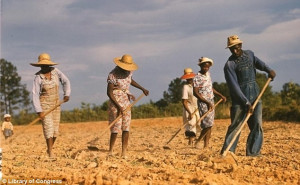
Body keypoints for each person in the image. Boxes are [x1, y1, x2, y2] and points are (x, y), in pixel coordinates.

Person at [220, 35, 276, 156]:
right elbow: (234, 87)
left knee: (257, 125)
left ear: (241, 45)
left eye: (237, 47)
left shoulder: (250, 54)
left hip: (255, 94)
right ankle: (228, 152)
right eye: (232, 49)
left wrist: (268, 70)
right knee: (236, 126)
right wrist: (246, 103)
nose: (235, 51)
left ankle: (253, 152)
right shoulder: (229, 65)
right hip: (239, 100)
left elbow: (259, 63)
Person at [107, 54, 149, 158]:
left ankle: (124, 152)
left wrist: (142, 88)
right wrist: (118, 107)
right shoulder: (113, 75)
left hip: (126, 100)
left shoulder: (129, 72)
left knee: (126, 126)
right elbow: (109, 92)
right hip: (115, 101)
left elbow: (130, 80)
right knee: (116, 126)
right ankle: (111, 151)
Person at [31, 53, 71, 157]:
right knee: (48, 128)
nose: (44, 67)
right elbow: (35, 94)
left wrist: (66, 94)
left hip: (56, 104)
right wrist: (39, 111)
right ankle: (50, 152)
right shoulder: (38, 77)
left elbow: (66, 81)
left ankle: (49, 149)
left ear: (49, 65)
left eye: (46, 65)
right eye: (42, 65)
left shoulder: (56, 72)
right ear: (40, 66)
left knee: (55, 131)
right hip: (44, 105)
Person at [193, 57, 226, 149]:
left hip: (211, 100)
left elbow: (210, 88)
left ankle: (206, 145)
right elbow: (195, 92)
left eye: (208, 67)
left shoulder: (208, 75)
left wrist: (220, 95)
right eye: (204, 67)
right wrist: (206, 102)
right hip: (203, 102)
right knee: (207, 124)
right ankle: (199, 140)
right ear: (201, 66)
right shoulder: (197, 77)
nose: (206, 68)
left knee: (210, 124)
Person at [180, 68, 200, 146]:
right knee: (191, 125)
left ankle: (196, 142)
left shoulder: (197, 85)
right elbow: (184, 102)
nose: (189, 79)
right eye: (187, 78)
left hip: (197, 108)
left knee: (199, 124)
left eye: (190, 77)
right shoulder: (186, 87)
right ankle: (190, 142)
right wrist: (189, 112)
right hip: (189, 108)